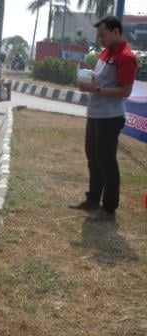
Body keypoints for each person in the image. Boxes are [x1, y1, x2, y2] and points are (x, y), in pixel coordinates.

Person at [71, 15, 137, 220]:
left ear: (116, 32)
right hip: (95, 113)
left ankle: (109, 208)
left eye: (103, 34)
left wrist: (97, 89)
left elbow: (125, 91)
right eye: (98, 35)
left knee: (107, 161)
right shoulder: (105, 52)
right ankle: (93, 199)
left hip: (110, 116)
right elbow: (102, 79)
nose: (100, 39)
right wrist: (88, 77)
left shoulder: (126, 57)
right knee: (93, 157)